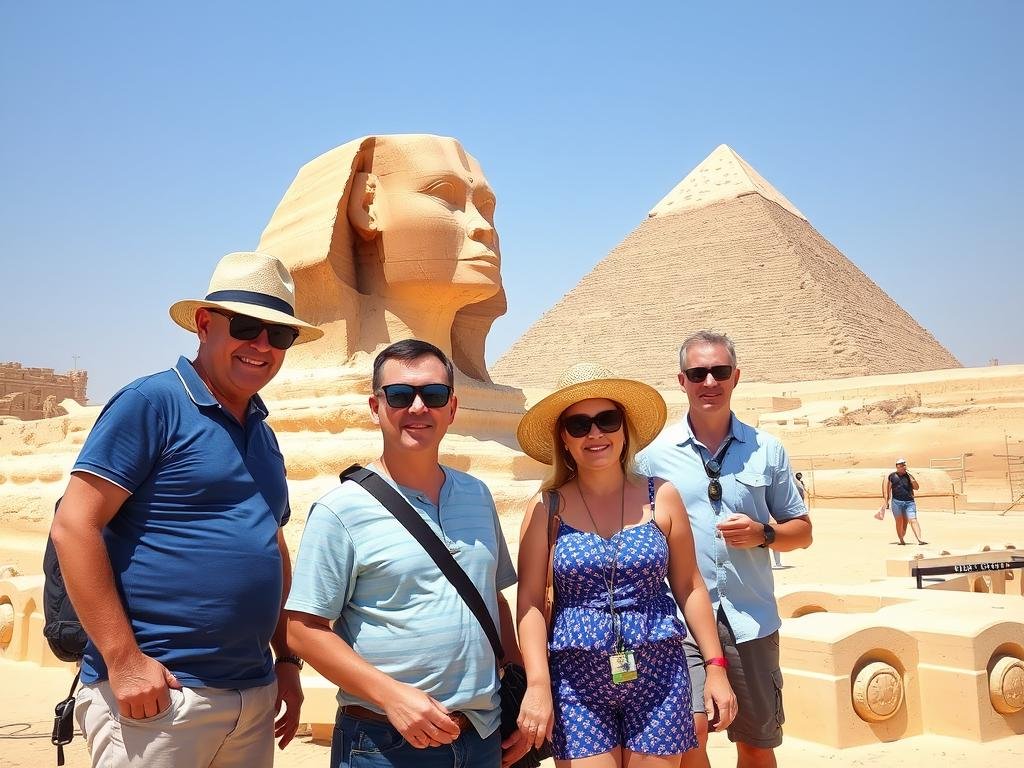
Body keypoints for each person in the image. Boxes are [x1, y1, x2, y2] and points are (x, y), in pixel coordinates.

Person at [50, 251, 321, 768]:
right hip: (160, 695)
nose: (262, 346)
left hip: (251, 693)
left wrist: (287, 659)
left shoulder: (263, 433)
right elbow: (74, 524)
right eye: (247, 327)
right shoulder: (151, 403)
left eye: (279, 335)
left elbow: (273, 544)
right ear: (204, 324)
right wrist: (124, 661)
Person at [285, 339, 521, 768]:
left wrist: (518, 690)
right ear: (375, 407)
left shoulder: (477, 494)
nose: (417, 408)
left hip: (483, 737)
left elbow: (493, 597)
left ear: (452, 407)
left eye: (432, 395)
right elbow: (303, 629)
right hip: (385, 743)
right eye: (399, 395)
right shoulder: (340, 509)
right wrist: (392, 696)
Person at [514, 363, 737, 768]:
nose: (595, 434)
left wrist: (715, 668)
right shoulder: (547, 507)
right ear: (563, 439)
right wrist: (538, 683)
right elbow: (528, 601)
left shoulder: (662, 498)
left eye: (607, 420)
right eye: (579, 425)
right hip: (576, 682)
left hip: (658, 675)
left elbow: (690, 586)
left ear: (624, 429)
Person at [638, 331, 812, 768]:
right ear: (682, 381)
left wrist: (764, 534)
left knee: (756, 745)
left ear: (736, 376)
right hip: (677, 622)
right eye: (698, 373)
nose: (709, 382)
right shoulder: (652, 458)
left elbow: (803, 531)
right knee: (689, 740)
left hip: (750, 619)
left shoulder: (766, 450)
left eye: (719, 372)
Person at [258, 134, 506, 382]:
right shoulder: (311, 398)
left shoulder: (506, 407)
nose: (483, 226)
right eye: (442, 192)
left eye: (486, 207)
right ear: (367, 204)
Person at [883, 459, 926, 545]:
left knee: (912, 519)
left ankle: (919, 539)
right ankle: (901, 539)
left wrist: (912, 479)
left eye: (904, 465)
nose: (903, 467)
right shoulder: (892, 476)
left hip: (909, 502)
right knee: (899, 521)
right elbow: (888, 489)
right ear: (897, 467)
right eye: (901, 465)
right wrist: (886, 501)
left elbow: (917, 487)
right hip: (896, 502)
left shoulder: (909, 476)